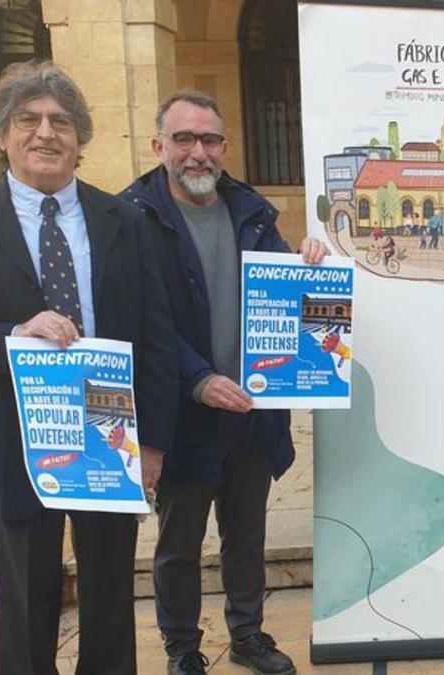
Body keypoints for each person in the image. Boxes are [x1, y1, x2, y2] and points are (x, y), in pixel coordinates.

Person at [0, 61, 177, 674]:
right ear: (2, 136)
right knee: (25, 604)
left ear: (80, 139)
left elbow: (157, 338)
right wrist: (13, 334)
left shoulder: (124, 220)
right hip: (10, 440)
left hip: (108, 437)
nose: (45, 133)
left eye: (61, 121)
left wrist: (154, 445)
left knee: (111, 596)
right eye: (27, 120)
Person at [120, 90, 328, 675]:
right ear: (159, 145)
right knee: (179, 543)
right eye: (184, 139)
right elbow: (142, 321)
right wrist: (198, 379)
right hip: (181, 413)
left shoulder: (252, 212)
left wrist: (305, 263)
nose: (198, 152)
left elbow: (282, 298)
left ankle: (248, 637)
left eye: (209, 139)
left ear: (224, 147)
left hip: (252, 412)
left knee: (246, 535)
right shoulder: (132, 218)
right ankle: (183, 649)